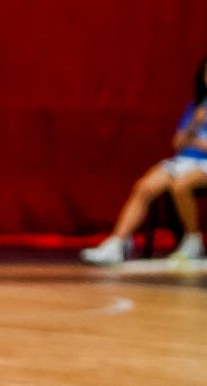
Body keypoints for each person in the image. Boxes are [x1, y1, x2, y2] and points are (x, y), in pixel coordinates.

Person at [82, 58, 207, 266]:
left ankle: (193, 240)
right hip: (185, 160)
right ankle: (118, 243)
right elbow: (177, 143)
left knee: (181, 185)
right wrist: (195, 123)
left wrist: (198, 144)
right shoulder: (196, 107)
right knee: (145, 186)